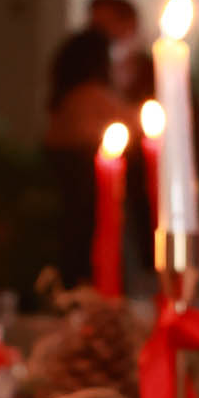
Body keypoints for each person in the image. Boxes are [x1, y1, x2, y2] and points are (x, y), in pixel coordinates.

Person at [44, 26, 127, 287]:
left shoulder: (65, 101)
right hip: (90, 210)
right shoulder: (90, 97)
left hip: (68, 215)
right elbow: (137, 126)